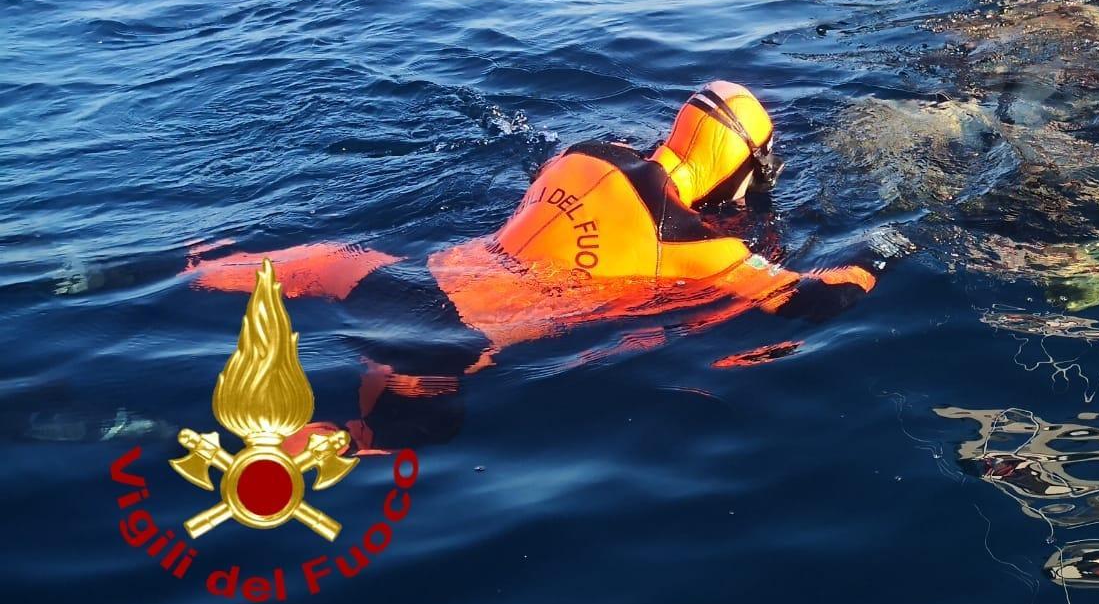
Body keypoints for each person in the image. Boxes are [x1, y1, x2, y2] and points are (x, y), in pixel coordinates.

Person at [187, 81, 885, 450]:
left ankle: (108, 271)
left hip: (394, 271)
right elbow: (804, 302)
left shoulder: (586, 150)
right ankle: (192, 450)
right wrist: (884, 249)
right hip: (448, 343)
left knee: (220, 270)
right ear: (738, 172)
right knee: (402, 435)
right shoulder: (702, 249)